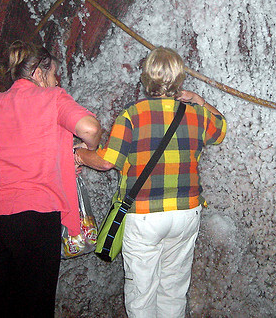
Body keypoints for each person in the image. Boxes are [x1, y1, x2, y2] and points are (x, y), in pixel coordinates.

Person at [0, 41, 102, 317]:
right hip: (35, 218)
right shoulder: (53, 97)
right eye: (54, 74)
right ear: (38, 73)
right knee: (33, 306)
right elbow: (90, 128)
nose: (56, 80)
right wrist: (83, 151)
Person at [75, 46, 227, 318]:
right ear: (179, 78)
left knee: (141, 291)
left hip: (144, 215)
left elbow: (108, 161)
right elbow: (222, 128)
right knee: (173, 288)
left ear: (146, 78)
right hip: (185, 213)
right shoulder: (196, 115)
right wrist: (199, 100)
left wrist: (80, 155)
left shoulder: (132, 115)